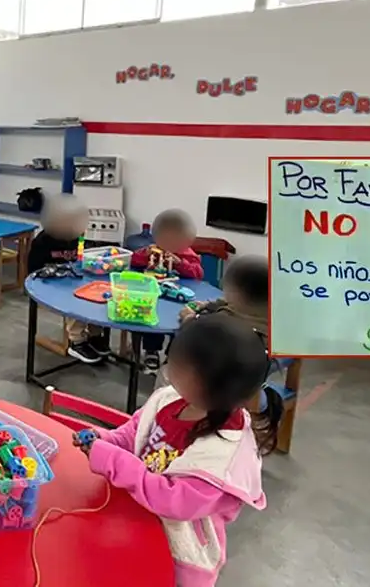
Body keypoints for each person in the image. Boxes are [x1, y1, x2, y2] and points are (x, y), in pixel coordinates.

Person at [75, 315, 283, 587]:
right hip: (133, 521)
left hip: (176, 560)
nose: (167, 363)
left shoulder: (222, 452)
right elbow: (133, 434)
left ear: (205, 383)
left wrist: (113, 461)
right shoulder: (172, 399)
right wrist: (104, 440)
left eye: (175, 360)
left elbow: (171, 501)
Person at [27, 195, 111, 363]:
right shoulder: (42, 242)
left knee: (96, 293)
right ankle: (76, 341)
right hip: (50, 285)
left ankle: (95, 335)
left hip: (72, 278)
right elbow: (32, 272)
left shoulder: (77, 237)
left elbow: (81, 259)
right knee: (76, 299)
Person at [131, 209, 204, 372]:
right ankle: (151, 351)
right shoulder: (154, 249)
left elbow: (198, 273)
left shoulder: (188, 253)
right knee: (153, 320)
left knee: (179, 323)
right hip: (155, 293)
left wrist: (180, 263)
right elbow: (134, 261)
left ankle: (173, 354)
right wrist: (145, 254)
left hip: (178, 294)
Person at [179, 255, 268, 335]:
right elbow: (228, 302)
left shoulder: (225, 321)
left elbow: (197, 332)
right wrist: (208, 304)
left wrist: (188, 318)